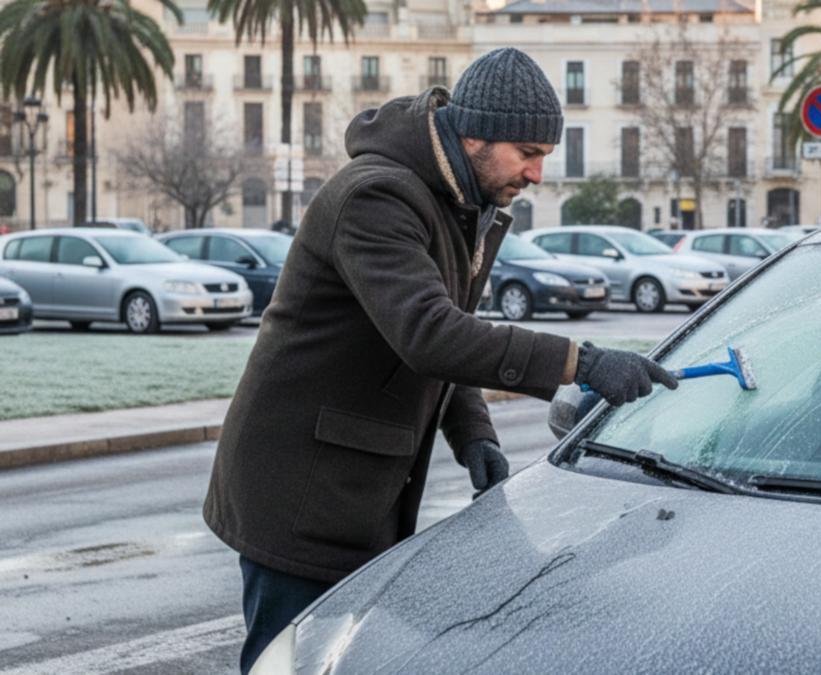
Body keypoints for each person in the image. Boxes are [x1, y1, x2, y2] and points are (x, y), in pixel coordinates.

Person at [203, 47, 677, 674]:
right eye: (528, 154)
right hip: (300, 496)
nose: (536, 175)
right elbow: (430, 334)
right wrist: (580, 362)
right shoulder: (377, 198)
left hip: (357, 491)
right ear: (475, 134)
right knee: (288, 664)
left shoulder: (455, 202)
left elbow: (449, 336)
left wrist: (473, 434)